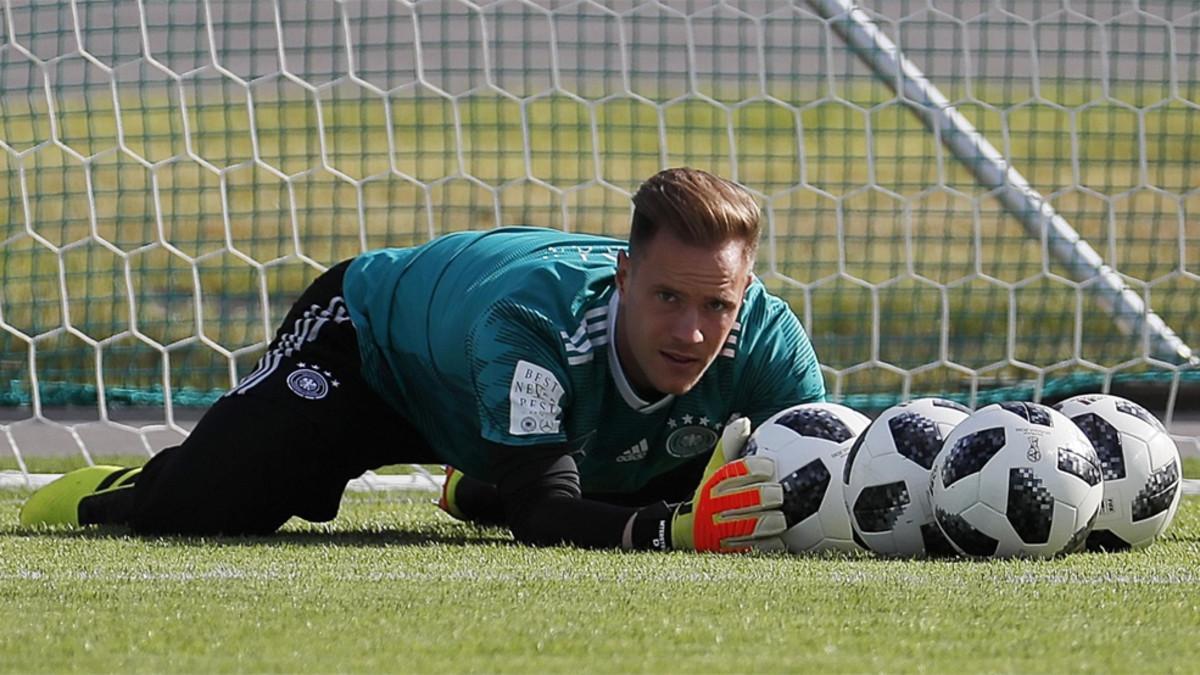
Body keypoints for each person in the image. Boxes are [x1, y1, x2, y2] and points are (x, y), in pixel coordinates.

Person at [20, 167, 826, 552]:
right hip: (373, 351)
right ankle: (127, 489)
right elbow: (545, 520)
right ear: (624, 273)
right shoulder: (534, 323)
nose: (693, 330)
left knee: (706, 463)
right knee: (213, 503)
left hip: (500, 402)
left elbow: (819, 457)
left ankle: (483, 478)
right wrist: (674, 530)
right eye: (667, 299)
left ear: (745, 290)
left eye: (717, 304)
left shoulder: (768, 337)